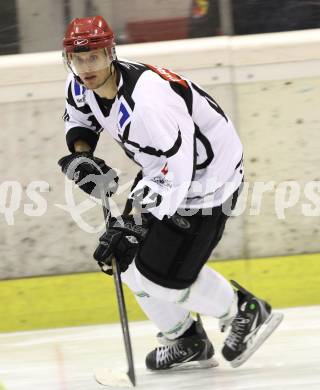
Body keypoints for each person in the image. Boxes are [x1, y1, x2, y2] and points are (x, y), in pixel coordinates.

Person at [58, 16, 283, 370]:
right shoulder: (80, 83)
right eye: (78, 59)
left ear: (111, 54)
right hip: (162, 170)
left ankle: (245, 311)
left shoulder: (149, 105)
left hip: (207, 182)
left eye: (95, 58)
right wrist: (83, 156)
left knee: (159, 276)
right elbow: (80, 118)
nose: (86, 67)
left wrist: (135, 223)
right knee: (126, 259)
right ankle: (185, 337)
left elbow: (179, 174)